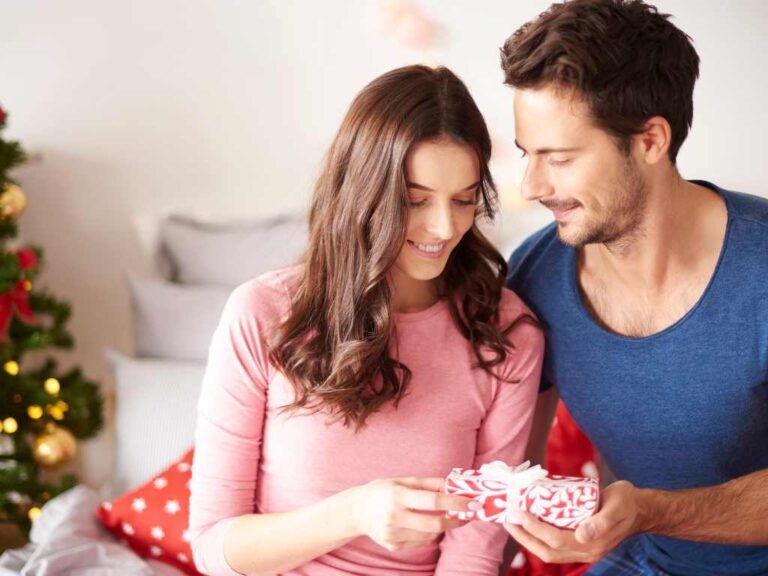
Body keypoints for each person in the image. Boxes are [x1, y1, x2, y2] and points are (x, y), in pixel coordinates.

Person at [188, 64, 545, 576]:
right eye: (415, 200)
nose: (444, 227)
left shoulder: (505, 333)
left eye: (464, 200)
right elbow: (213, 547)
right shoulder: (262, 314)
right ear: (362, 191)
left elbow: (475, 551)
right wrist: (354, 513)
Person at [500, 1, 768, 575]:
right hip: (640, 561)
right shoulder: (534, 277)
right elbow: (513, 467)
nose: (532, 185)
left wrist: (650, 510)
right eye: (528, 154)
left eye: (560, 158)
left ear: (650, 140)